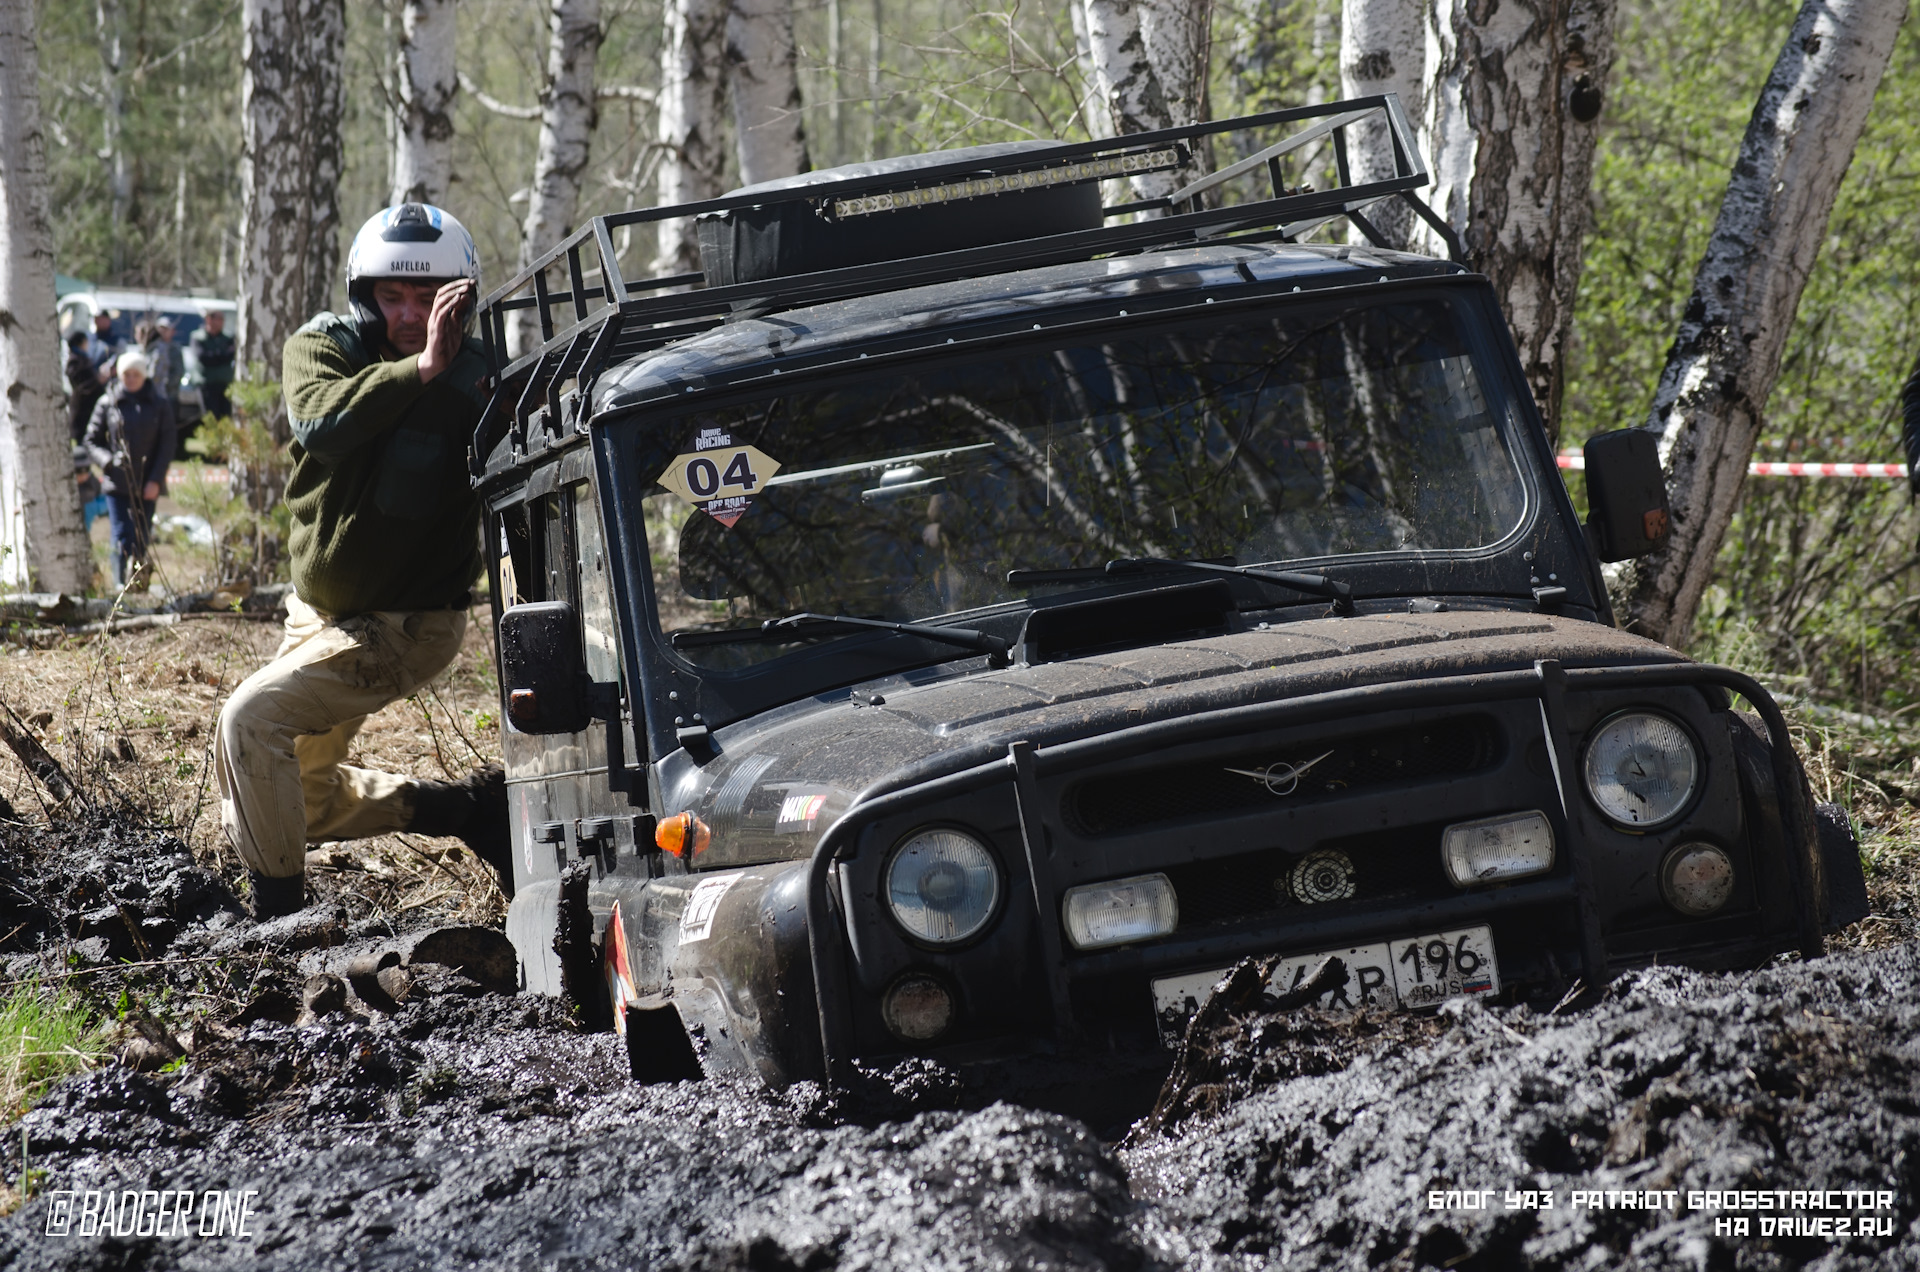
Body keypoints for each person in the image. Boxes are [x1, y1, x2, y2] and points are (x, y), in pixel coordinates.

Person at [213, 202, 509, 919]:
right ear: (364, 295)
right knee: (293, 800)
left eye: (429, 299)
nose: (412, 314)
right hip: (318, 616)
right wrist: (420, 369)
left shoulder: (483, 379)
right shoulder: (324, 347)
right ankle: (469, 811)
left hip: (406, 626)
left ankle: (277, 926)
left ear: (461, 300)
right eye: (393, 297)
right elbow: (323, 422)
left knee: (249, 723)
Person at [83, 349, 175, 590]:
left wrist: (155, 479)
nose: (131, 378)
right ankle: (119, 583)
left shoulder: (159, 404)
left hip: (148, 482)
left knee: (141, 537)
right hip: (117, 482)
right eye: (126, 374)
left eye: (136, 374)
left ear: (144, 376)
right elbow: (90, 440)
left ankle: (139, 582)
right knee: (121, 533)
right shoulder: (108, 402)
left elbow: (168, 444)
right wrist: (108, 462)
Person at [188, 309, 236, 427]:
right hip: (207, 385)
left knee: (226, 418)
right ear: (209, 319)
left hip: (225, 384)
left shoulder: (227, 338)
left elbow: (231, 355)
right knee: (211, 418)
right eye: (218, 319)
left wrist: (215, 355)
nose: (221, 322)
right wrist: (221, 356)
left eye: (222, 319)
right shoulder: (198, 337)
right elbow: (204, 358)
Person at [65, 331, 105, 441]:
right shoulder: (75, 360)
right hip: (82, 405)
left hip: (89, 403)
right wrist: (98, 380)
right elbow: (80, 384)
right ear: (81, 342)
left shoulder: (83, 358)